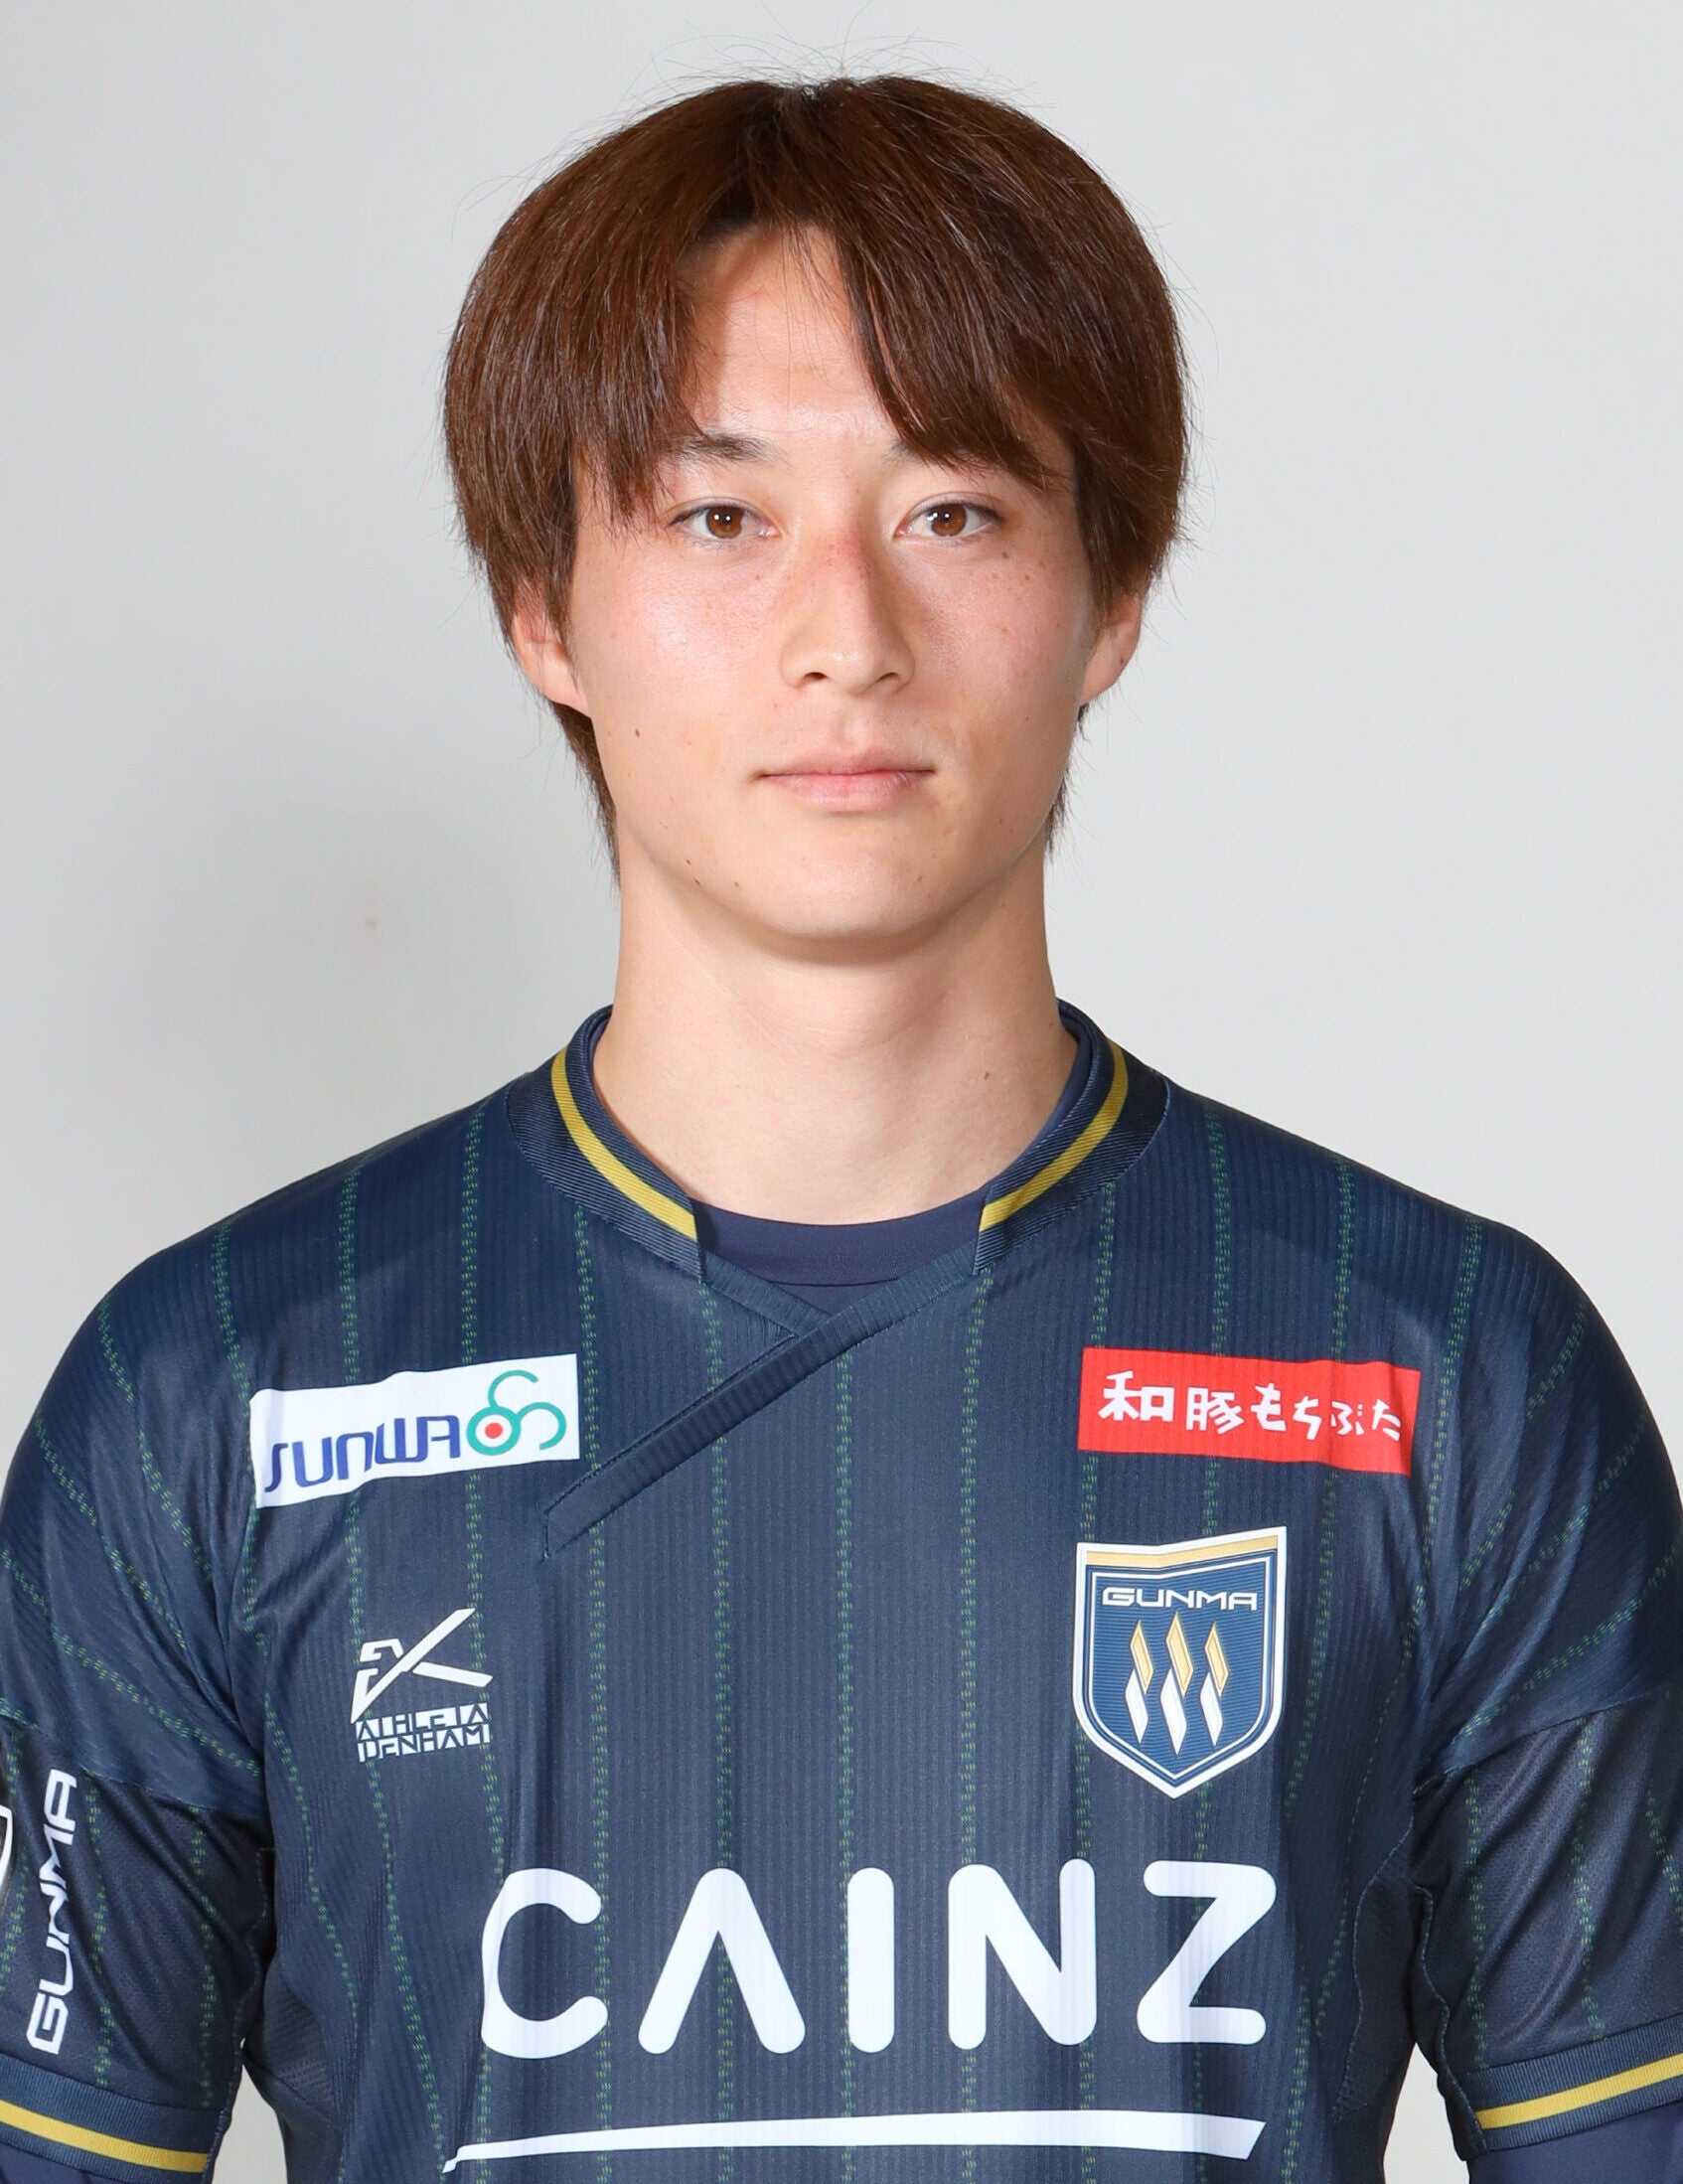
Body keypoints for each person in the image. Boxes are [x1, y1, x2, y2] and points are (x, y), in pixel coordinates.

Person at [0, 72, 1678, 2184]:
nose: (847, 639)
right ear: (542, 607)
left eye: (952, 510)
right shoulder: (217, 1395)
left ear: (1110, 597)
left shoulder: (1447, 1375)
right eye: (721, 518)